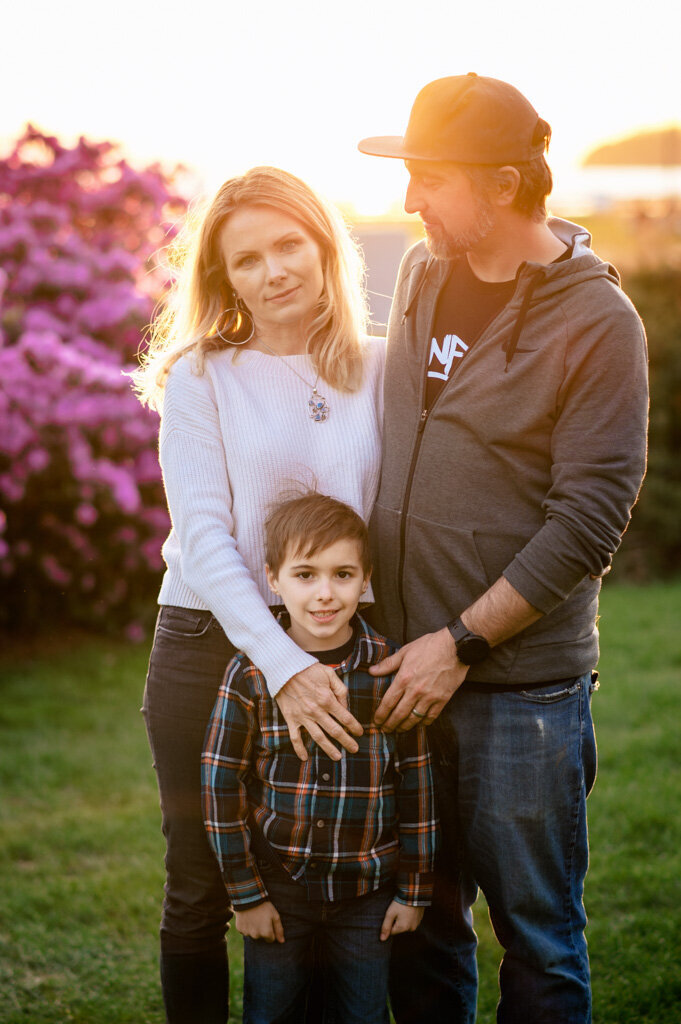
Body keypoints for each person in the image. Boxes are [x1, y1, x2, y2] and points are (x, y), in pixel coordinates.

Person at [357, 73, 649, 1023]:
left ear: (504, 184)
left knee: (537, 938)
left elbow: (589, 518)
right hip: (403, 674)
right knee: (421, 929)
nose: (408, 202)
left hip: (519, 695)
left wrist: (461, 644)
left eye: (428, 178)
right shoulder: (419, 273)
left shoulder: (599, 323)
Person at [133, 166, 385, 1024]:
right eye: (247, 260)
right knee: (201, 883)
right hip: (209, 645)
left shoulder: (382, 370)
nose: (274, 272)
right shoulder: (202, 377)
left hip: (341, 640)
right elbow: (203, 538)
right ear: (222, 279)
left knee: (338, 870)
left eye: (288, 245)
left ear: (324, 246)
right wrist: (280, 664)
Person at [201, 492, 437, 1024]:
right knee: (273, 1013)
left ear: (366, 578)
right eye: (305, 575)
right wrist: (245, 895)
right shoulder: (251, 675)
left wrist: (415, 890)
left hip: (368, 894)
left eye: (343, 574)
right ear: (273, 579)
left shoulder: (387, 670)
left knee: (363, 1014)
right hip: (279, 888)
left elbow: (417, 786)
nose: (325, 594)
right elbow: (220, 785)